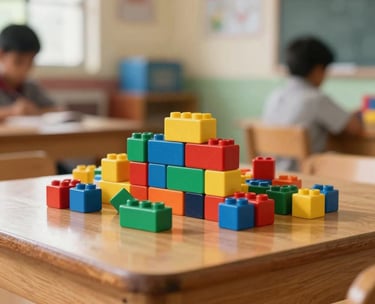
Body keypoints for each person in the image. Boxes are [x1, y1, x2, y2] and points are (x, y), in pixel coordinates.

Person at [262, 36, 362, 171]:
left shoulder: (276, 95)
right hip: (303, 178)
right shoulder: (316, 99)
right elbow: (354, 128)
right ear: (318, 70)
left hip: (271, 176)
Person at [0, 24, 56, 121]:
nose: (25, 68)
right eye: (18, 61)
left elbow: (58, 109)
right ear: (1, 55)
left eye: (30, 61)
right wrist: (11, 111)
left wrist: (36, 111)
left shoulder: (31, 87)